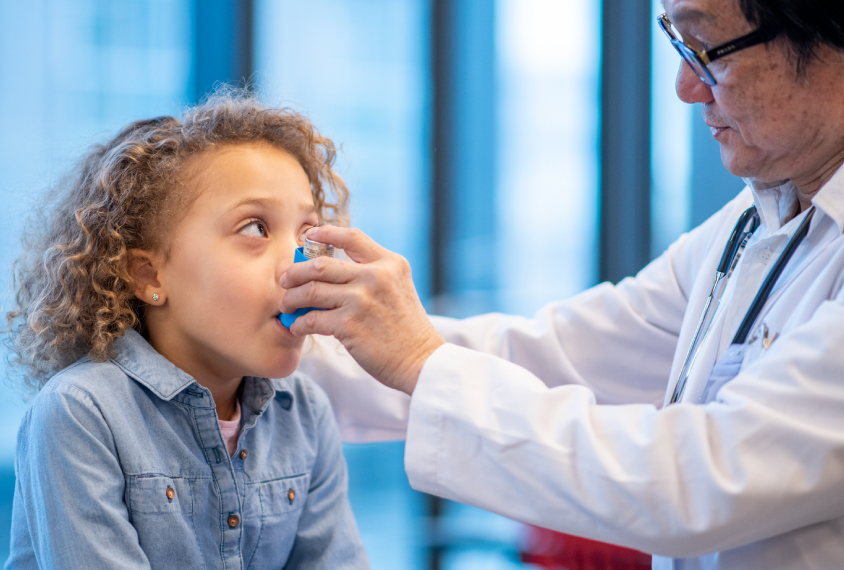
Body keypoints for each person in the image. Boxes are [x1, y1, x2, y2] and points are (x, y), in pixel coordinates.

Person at [281, 0, 844, 568]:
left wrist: (419, 360)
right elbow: (555, 355)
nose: (684, 88)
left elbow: (698, 479)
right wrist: (293, 350)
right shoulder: (755, 221)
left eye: (706, 50)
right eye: (679, 45)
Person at [3, 94, 368, 569]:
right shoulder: (80, 414)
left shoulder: (304, 412)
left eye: (307, 235)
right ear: (150, 277)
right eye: (256, 228)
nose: (301, 266)